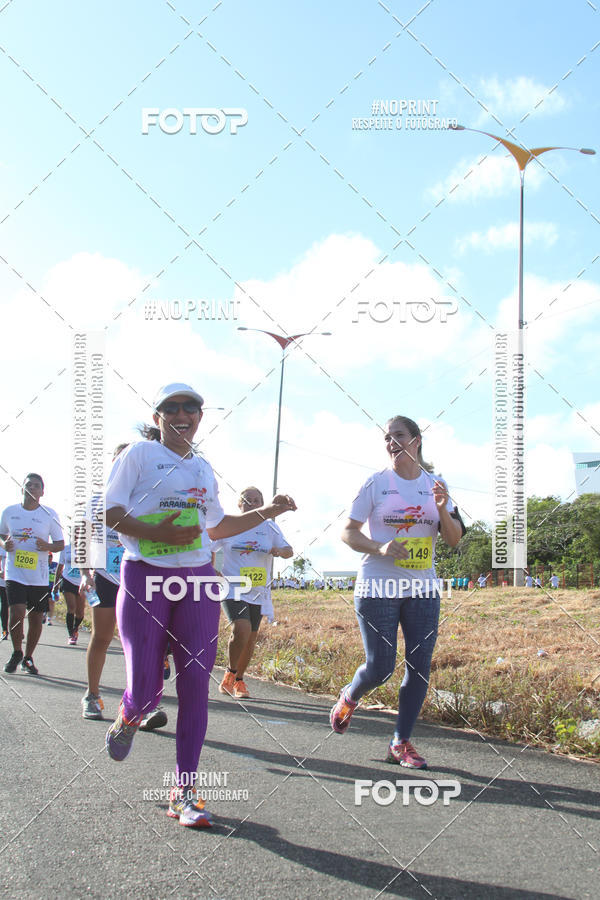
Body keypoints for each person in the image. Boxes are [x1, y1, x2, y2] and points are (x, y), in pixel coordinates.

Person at [103, 382, 296, 828]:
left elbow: (218, 526)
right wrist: (157, 533)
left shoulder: (204, 469)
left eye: (191, 407)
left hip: (197, 582)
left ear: (200, 417)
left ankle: (183, 791)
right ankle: (130, 712)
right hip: (144, 575)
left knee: (195, 688)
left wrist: (270, 511)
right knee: (148, 687)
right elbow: (109, 513)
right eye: (171, 407)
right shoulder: (137, 455)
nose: (182, 413)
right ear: (158, 418)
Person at [330, 415, 463, 769]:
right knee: (380, 667)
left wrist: (440, 508)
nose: (391, 443)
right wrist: (380, 548)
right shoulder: (375, 483)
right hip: (378, 584)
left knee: (419, 668)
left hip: (422, 587)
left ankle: (400, 742)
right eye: (387, 438)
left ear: (416, 440)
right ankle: (350, 695)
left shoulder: (438, 484)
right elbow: (348, 532)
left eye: (398, 436)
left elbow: (453, 539)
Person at [80, 443, 169, 730]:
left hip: (142, 576)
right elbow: (83, 541)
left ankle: (139, 707)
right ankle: (92, 695)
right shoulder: (96, 501)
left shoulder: (149, 497)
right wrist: (84, 573)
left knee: (145, 643)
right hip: (107, 576)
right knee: (103, 636)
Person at [213, 486, 293, 699]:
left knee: (251, 637)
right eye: (248, 500)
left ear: (264, 504)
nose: (253, 503)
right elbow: (207, 547)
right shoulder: (230, 525)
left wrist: (280, 551)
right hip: (233, 587)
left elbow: (289, 550)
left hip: (258, 590)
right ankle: (230, 673)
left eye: (258, 500)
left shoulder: (270, 528)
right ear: (239, 504)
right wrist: (212, 571)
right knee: (242, 628)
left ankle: (239, 681)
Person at [1, 473, 65, 674]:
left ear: (42, 492)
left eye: (37, 486)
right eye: (29, 485)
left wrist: (47, 545)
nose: (32, 488)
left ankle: (28, 657)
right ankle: (17, 651)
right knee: (17, 613)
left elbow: (60, 544)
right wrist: (5, 543)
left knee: (36, 619)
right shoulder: (10, 512)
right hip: (15, 573)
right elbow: (1, 534)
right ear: (22, 489)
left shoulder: (49, 514)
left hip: (38, 576)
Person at [55, 539, 85, 645]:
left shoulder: (87, 548)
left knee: (80, 613)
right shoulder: (65, 549)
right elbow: (59, 567)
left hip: (81, 582)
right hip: (68, 581)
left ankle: (75, 628)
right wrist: (55, 585)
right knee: (71, 607)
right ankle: (70, 634)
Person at [0, 547, 8, 640]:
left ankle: (18, 630)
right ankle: (5, 631)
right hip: (1, 581)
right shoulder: (2, 547)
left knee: (7, 607)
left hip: (13, 582)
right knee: (4, 606)